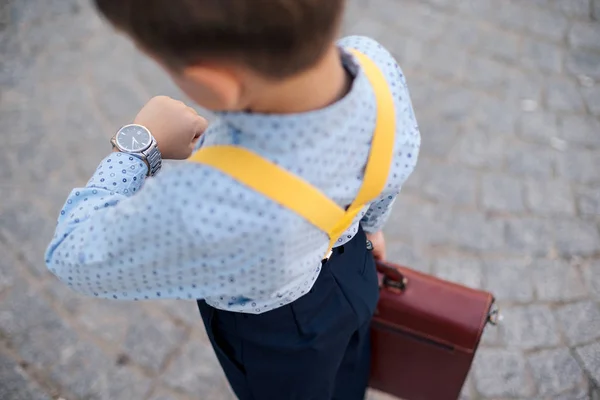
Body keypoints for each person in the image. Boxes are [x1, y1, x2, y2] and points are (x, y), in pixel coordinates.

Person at [45, 1, 420, 398]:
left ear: (212, 84)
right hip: (356, 266)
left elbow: (72, 255)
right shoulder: (374, 63)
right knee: (349, 368)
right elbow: (393, 164)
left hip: (282, 333)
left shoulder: (213, 201)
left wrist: (140, 146)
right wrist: (374, 227)